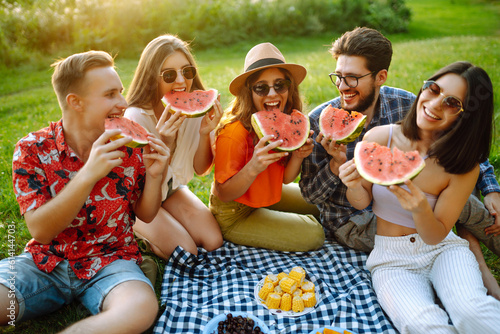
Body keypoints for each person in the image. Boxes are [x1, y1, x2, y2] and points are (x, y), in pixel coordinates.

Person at [299, 27, 500, 296]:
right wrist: (335, 168)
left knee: (461, 194)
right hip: (352, 221)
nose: (342, 86)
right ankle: (473, 255)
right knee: (453, 205)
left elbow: (462, 144)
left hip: (408, 202)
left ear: (381, 76)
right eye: (338, 76)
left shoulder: (406, 104)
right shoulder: (319, 119)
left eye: (352, 78)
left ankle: (475, 251)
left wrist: (491, 188)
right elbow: (309, 194)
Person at [0, 51, 168, 332]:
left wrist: (154, 176)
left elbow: (146, 215)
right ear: (75, 102)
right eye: (111, 94)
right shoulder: (32, 149)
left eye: (121, 92)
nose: (123, 103)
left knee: (140, 308)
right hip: (46, 262)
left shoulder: (127, 144)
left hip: (112, 259)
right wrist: (88, 174)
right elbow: (41, 230)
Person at [338, 61, 500, 333]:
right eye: (433, 89)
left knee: (472, 312)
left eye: (451, 103)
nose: (435, 103)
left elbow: (436, 235)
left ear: (466, 116)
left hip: (443, 250)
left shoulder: (463, 167)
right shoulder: (380, 137)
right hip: (390, 259)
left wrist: (420, 208)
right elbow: (362, 201)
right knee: (423, 325)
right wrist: (352, 185)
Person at [209, 42, 325, 252]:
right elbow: (223, 193)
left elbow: (286, 179)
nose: (272, 94)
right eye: (261, 88)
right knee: (314, 234)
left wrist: (298, 155)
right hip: (234, 214)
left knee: (321, 202)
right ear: (249, 93)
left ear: (289, 89)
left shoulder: (283, 121)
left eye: (279, 85)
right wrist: (253, 167)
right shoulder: (234, 133)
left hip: (264, 196)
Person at [124, 34, 223, 260]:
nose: (181, 81)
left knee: (213, 240)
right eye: (169, 75)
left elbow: (201, 169)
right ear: (151, 78)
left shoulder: (193, 109)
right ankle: (133, 235)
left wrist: (205, 132)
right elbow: (142, 185)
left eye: (187, 71)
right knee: (186, 252)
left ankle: (166, 222)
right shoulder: (136, 118)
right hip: (139, 202)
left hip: (170, 191)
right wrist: (164, 143)